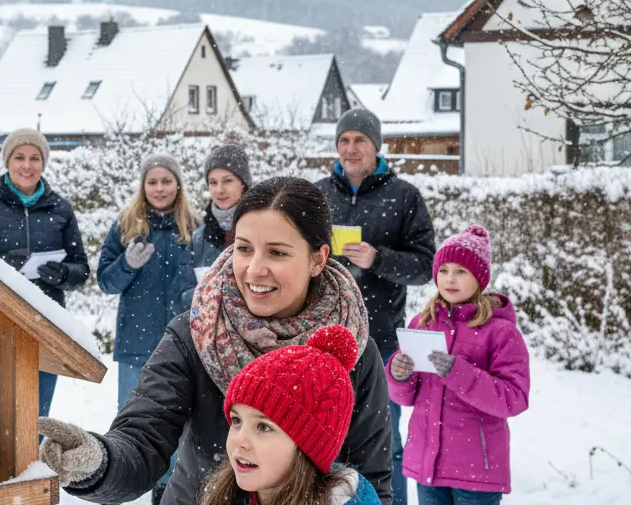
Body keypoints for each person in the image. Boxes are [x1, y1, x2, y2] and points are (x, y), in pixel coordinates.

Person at [39, 177, 394, 505]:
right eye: (244, 248)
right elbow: (144, 438)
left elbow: (370, 476)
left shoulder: (352, 346)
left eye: (278, 252)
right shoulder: (198, 332)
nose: (255, 269)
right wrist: (98, 461)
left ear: (318, 258)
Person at [316, 108, 436, 505]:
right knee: (320, 443)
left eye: (360, 140)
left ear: (376, 147)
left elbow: (425, 266)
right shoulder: (317, 194)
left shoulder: (403, 196)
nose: (351, 148)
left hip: (381, 338)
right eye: (344, 140)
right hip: (323, 339)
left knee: (385, 445)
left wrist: (378, 259)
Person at [0, 128, 89, 457]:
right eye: (19, 157)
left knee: (34, 426)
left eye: (34, 158)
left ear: (43, 162)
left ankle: (28, 491)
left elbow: (81, 269)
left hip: (45, 329)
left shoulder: (60, 209)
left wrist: (63, 273)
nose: (27, 165)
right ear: (7, 161)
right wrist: (0, 266)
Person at [387, 225, 530, 505]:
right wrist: (398, 375)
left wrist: (458, 373)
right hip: (427, 466)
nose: (449, 279)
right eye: (444, 270)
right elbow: (405, 398)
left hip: (477, 473)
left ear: (480, 278)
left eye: (461, 271)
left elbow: (514, 399)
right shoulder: (423, 324)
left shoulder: (500, 332)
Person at [96, 152, 198, 501]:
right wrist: (127, 263)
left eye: (166, 180)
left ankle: (171, 491)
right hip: (136, 345)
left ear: (178, 184)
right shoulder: (126, 225)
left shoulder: (194, 227)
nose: (159, 187)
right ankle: (145, 487)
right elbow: (105, 282)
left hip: (185, 343)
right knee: (137, 425)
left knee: (182, 426)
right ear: (143, 186)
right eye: (152, 181)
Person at [200, 324, 381, 505]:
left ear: (309, 449)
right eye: (236, 420)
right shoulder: (230, 498)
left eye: (263, 427)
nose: (239, 440)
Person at [177, 143, 251, 312]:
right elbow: (182, 297)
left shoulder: (265, 227)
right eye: (213, 182)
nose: (220, 189)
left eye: (228, 181)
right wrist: (213, 293)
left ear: (243, 183)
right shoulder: (199, 239)